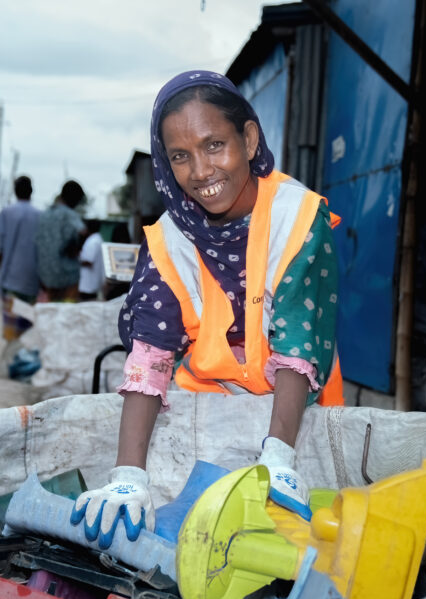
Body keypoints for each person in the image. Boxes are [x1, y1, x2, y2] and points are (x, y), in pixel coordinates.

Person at [70, 70, 343, 548]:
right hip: (206, 414)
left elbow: (299, 339)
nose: (200, 172)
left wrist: (279, 458)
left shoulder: (296, 217)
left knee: (298, 545)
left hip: (298, 413)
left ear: (250, 138)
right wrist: (128, 475)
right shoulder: (169, 239)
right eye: (180, 156)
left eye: (214, 145)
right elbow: (151, 355)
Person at [0, 175, 41, 340]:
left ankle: (13, 358)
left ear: (15, 191)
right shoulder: (40, 215)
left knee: (12, 330)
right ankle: (23, 358)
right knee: (28, 326)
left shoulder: (6, 213)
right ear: (31, 192)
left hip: (10, 281)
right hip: (33, 282)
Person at [36, 180, 86, 302]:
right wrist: (76, 248)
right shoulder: (69, 214)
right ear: (74, 199)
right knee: (67, 313)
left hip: (46, 276)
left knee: (52, 311)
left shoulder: (45, 214)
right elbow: (82, 232)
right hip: (68, 276)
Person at [77, 221, 104, 302]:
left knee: (86, 303)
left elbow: (88, 261)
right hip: (92, 282)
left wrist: (74, 261)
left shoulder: (93, 241)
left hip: (88, 283)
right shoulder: (97, 239)